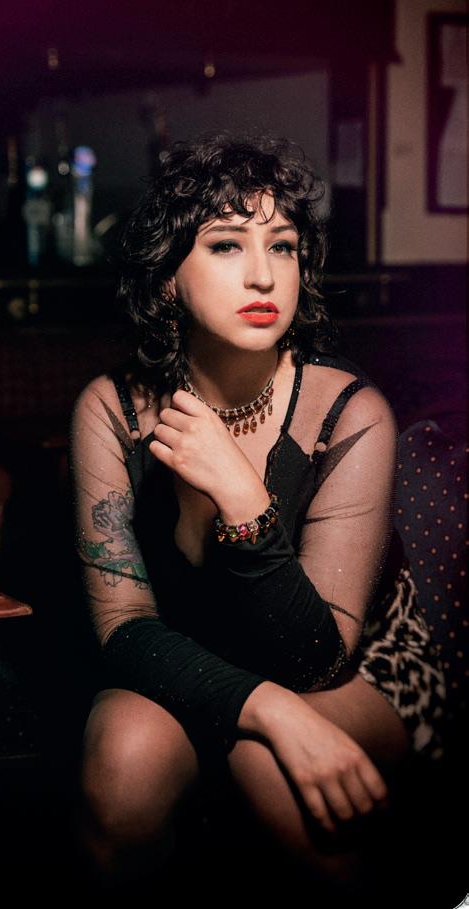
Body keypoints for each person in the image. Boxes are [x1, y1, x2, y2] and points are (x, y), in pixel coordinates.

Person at [68, 134, 446, 899]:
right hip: (192, 650)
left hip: (362, 666)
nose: (263, 274)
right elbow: (122, 626)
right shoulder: (111, 409)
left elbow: (315, 660)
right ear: (166, 280)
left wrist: (242, 499)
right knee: (123, 762)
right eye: (225, 244)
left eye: (281, 245)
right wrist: (267, 708)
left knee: (265, 765)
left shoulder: (350, 414)